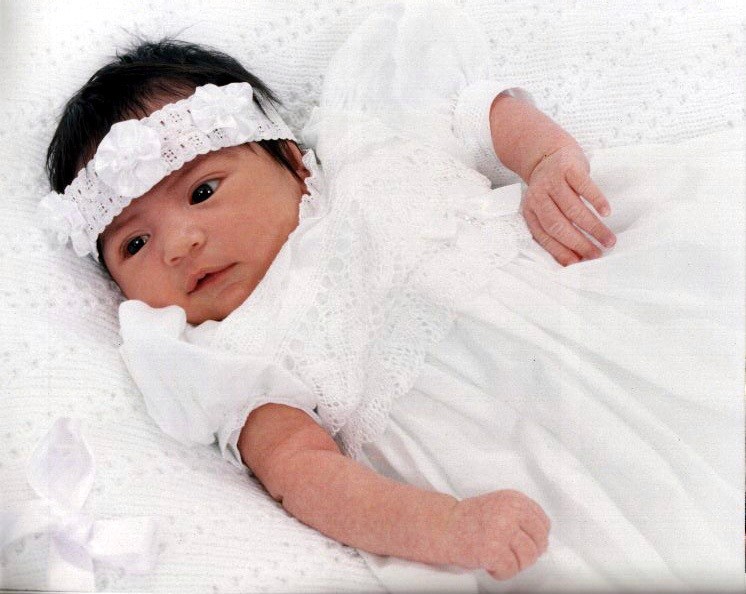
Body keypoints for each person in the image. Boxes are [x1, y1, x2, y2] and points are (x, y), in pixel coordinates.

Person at [40, 3, 741, 591]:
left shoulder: (365, 142)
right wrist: (450, 526)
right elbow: (305, 477)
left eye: (202, 191)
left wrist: (546, 159)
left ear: (291, 161)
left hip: (603, 315)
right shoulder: (236, 356)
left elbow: (479, 113)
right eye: (135, 243)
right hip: (520, 468)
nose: (178, 245)